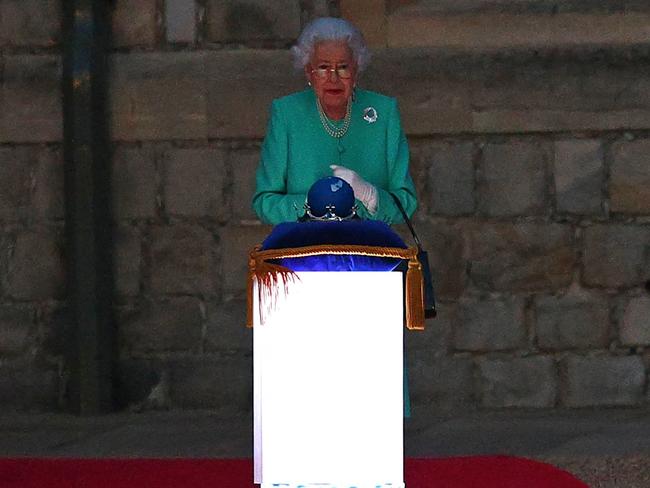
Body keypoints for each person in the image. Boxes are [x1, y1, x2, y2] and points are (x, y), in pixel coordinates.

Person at [252, 17, 417, 225]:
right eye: (323, 67)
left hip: (369, 251)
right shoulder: (287, 114)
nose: (333, 78)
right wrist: (318, 204)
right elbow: (265, 202)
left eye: (343, 67)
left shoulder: (384, 112)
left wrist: (371, 196)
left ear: (356, 70)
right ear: (308, 72)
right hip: (305, 251)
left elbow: (407, 202)